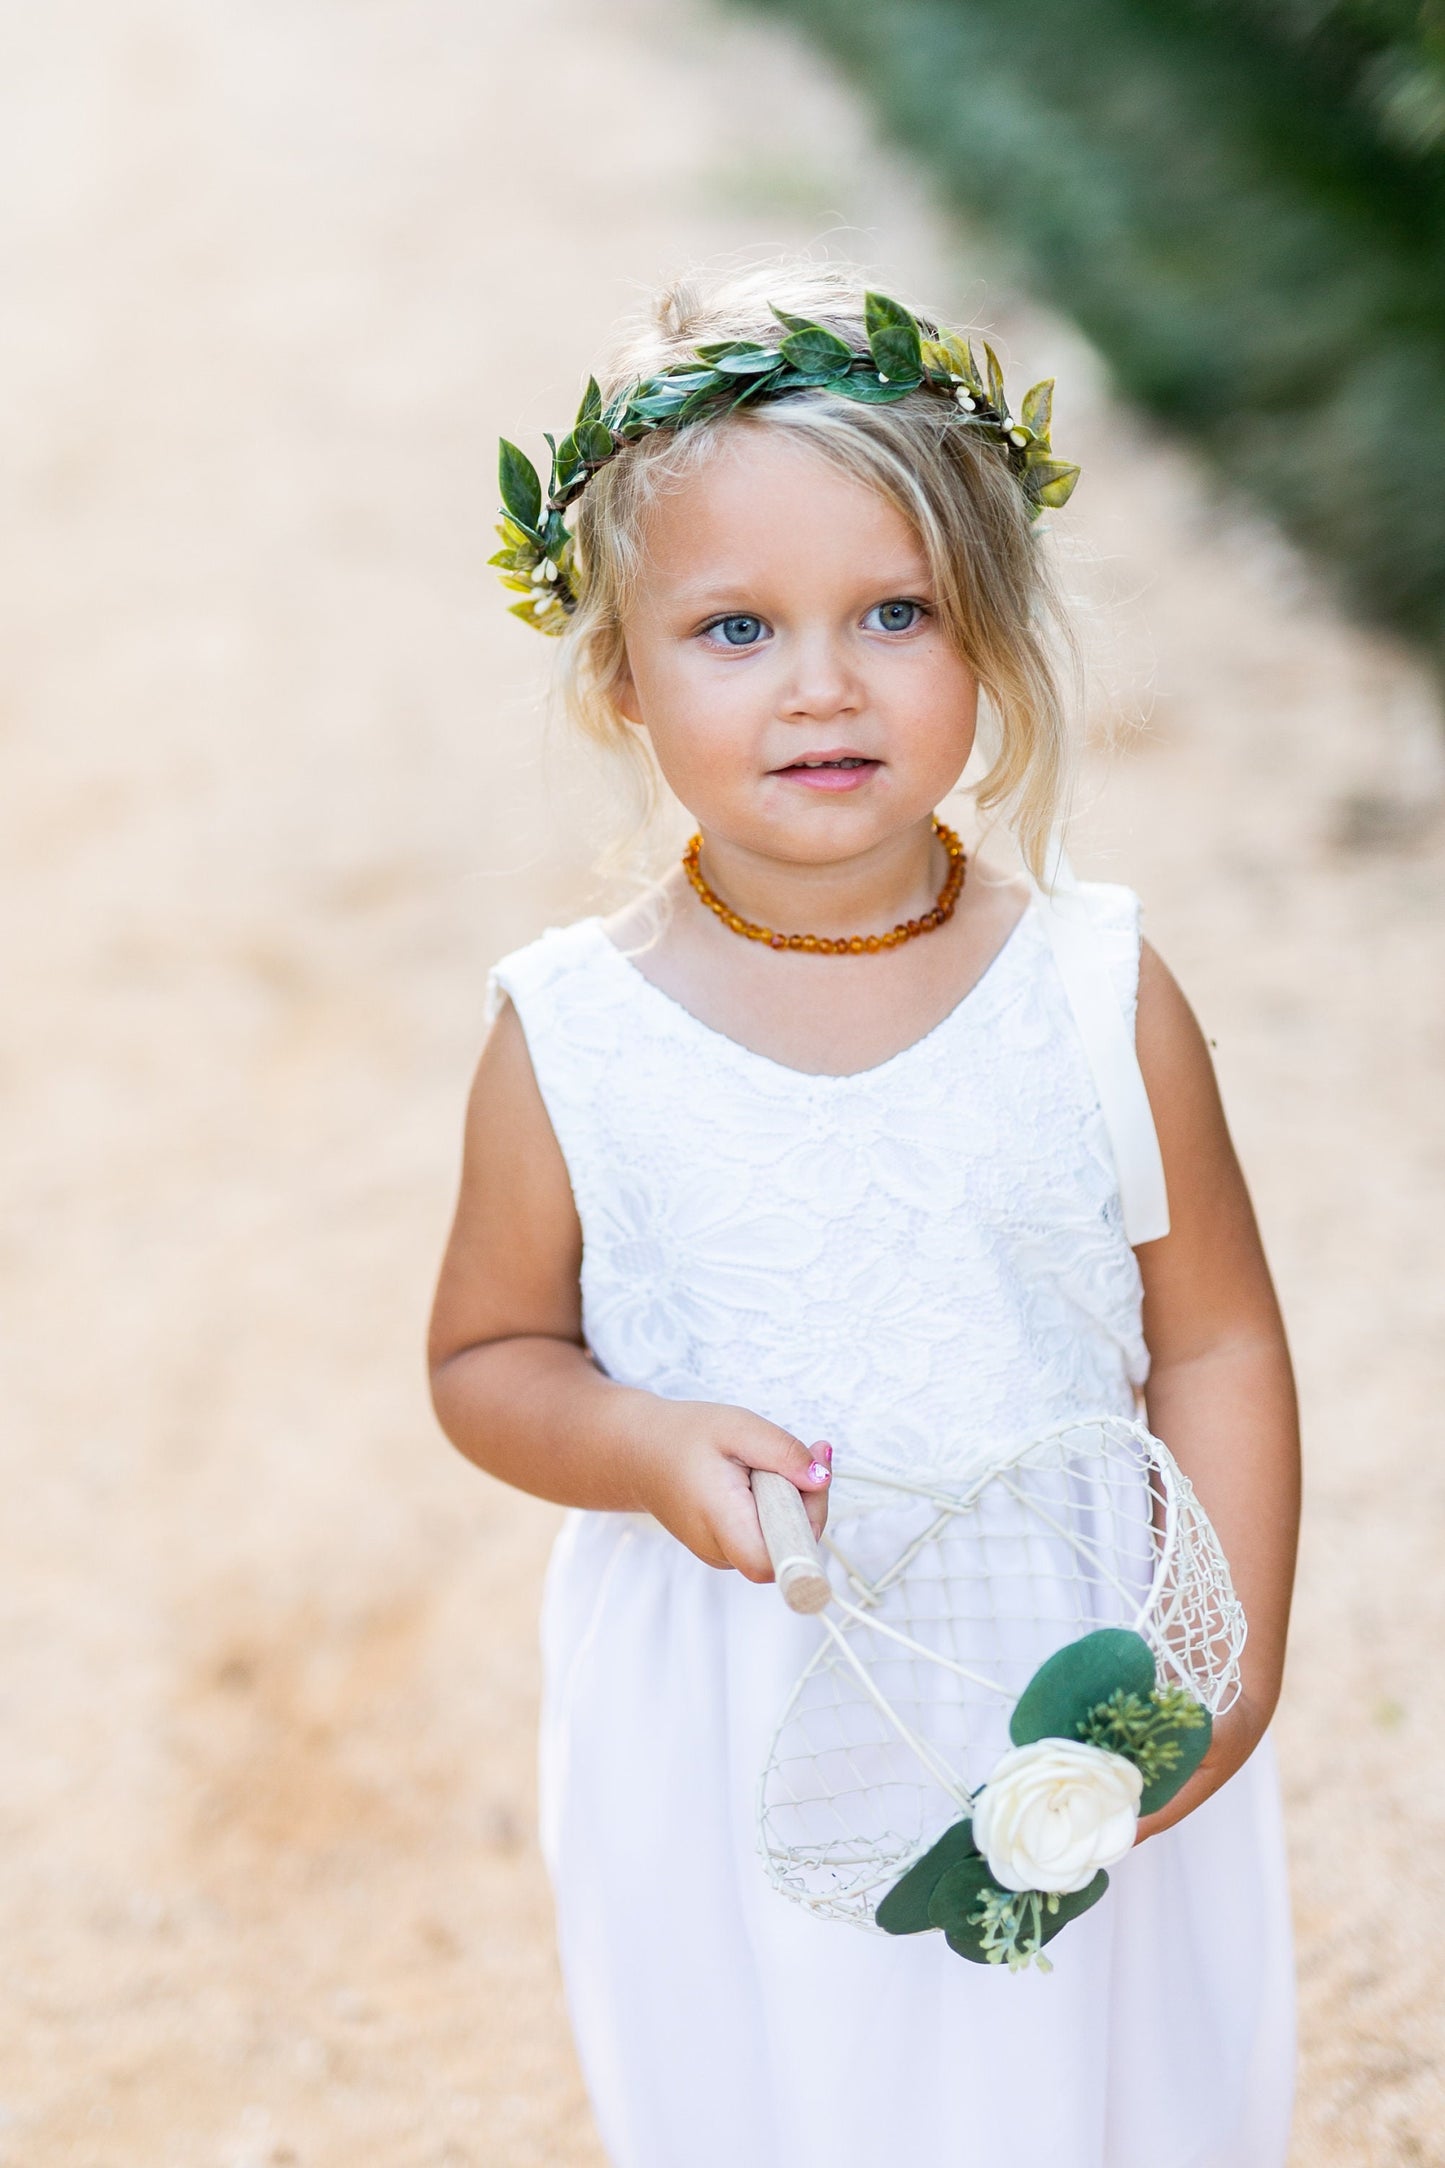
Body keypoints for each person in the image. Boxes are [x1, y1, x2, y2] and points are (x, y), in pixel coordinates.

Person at [428, 261, 1299, 2168]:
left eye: (894, 613)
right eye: (734, 627)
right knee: (788, 2102)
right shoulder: (572, 1033)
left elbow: (1217, 1336)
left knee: (1083, 2093)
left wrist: (1219, 1653)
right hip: (735, 1700)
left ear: (986, 632)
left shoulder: (1096, 991)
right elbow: (489, 1357)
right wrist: (642, 1444)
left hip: (1060, 1676)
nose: (821, 684)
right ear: (619, 672)